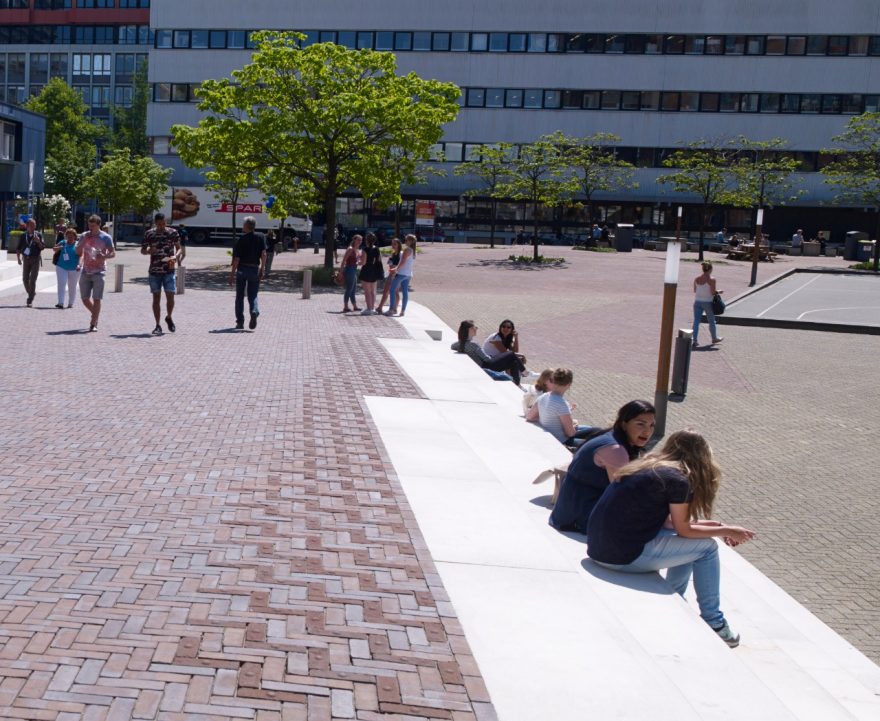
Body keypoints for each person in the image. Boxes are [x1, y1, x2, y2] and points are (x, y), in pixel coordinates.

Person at [587, 430, 756, 648]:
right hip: (620, 556)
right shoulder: (678, 480)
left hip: (599, 547)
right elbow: (684, 530)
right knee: (707, 548)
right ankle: (715, 622)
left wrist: (721, 527)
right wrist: (724, 532)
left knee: (693, 542)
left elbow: (670, 524)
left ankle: (678, 597)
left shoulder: (648, 467)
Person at [548, 400, 656, 533]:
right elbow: (623, 495)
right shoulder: (615, 449)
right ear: (624, 424)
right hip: (579, 517)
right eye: (641, 424)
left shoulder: (609, 436)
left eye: (652, 425)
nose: (647, 431)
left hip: (568, 511)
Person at [526, 367, 593, 448]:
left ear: (552, 381)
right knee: (596, 436)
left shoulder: (543, 396)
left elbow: (529, 416)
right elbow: (570, 433)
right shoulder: (562, 404)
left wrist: (546, 418)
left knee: (591, 429)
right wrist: (573, 427)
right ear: (569, 385)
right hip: (561, 439)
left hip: (552, 432)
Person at [451, 320, 526, 385]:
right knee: (511, 354)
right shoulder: (473, 344)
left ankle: (517, 384)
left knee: (513, 362)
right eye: (475, 327)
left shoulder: (461, 343)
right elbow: (486, 359)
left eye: (508, 327)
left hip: (485, 364)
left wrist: (515, 337)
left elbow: (453, 346)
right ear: (470, 329)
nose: (476, 329)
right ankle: (526, 373)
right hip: (487, 365)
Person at [142, 212, 181, 335]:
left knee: (170, 295)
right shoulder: (149, 233)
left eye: (163, 224)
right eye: (159, 224)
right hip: (155, 270)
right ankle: (157, 325)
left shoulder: (172, 232)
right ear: (155, 223)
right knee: (156, 298)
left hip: (169, 269)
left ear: (166, 222)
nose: (161, 226)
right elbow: (142, 250)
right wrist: (149, 251)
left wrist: (176, 255)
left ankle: (169, 317)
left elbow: (179, 248)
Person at [76, 214, 115, 332]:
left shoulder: (105, 237)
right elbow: (78, 252)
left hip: (99, 271)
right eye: (89, 225)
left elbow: (113, 253)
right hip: (86, 270)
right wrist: (83, 241)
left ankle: (93, 323)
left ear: (99, 225)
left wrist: (104, 256)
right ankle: (96, 314)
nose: (90, 227)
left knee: (97, 298)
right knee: (84, 298)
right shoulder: (84, 235)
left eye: (93, 225)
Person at [229, 216, 266, 330]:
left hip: (242, 270)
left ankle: (240, 322)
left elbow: (236, 259)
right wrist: (262, 269)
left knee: (239, 296)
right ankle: (254, 311)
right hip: (254, 269)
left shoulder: (241, 239)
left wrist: (232, 275)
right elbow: (264, 254)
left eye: (243, 224)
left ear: (246, 226)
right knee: (253, 294)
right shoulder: (261, 237)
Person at [692, 261, 723, 348]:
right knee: (711, 321)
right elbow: (712, 292)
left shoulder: (696, 279)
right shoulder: (712, 279)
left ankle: (694, 340)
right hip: (707, 302)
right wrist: (719, 291)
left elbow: (695, 290)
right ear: (710, 269)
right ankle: (714, 338)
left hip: (697, 301)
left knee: (696, 321)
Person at [386, 233, 416, 317]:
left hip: (401, 273)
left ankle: (391, 309)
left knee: (392, 290)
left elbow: (402, 262)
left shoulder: (407, 250)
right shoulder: (413, 251)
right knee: (405, 292)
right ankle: (402, 311)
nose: (405, 241)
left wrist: (396, 269)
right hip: (408, 274)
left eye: (406, 240)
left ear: (410, 241)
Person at [17, 218, 44, 307]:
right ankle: (31, 293)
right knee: (25, 279)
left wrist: (38, 241)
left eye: (34, 225)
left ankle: (30, 299)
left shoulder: (38, 235)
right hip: (26, 259)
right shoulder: (23, 236)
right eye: (32, 225)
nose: (34, 227)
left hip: (35, 259)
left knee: (33, 280)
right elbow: (18, 248)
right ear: (27, 226)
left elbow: (42, 247)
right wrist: (18, 259)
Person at [53, 227, 81, 309]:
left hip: (74, 268)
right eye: (68, 236)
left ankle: (71, 303)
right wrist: (59, 248)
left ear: (75, 237)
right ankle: (60, 302)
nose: (70, 238)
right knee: (61, 283)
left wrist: (79, 264)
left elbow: (81, 255)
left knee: (72, 286)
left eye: (71, 237)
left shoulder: (78, 244)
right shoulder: (63, 242)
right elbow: (54, 249)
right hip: (61, 266)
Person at [358, 232, 384, 315]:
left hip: (366, 270)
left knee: (367, 291)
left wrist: (358, 261)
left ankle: (369, 309)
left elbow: (363, 262)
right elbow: (379, 260)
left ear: (367, 240)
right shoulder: (377, 249)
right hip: (374, 270)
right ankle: (372, 308)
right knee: (373, 291)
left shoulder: (365, 249)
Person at [376, 237, 401, 315]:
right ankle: (381, 307)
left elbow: (399, 265)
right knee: (387, 291)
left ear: (399, 245)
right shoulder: (393, 254)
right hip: (390, 274)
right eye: (392, 243)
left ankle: (393, 308)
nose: (393, 245)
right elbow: (390, 264)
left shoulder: (400, 254)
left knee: (394, 292)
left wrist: (393, 266)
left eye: (395, 244)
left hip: (395, 275)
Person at [339, 234, 362, 312]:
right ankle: (345, 306)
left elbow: (357, 261)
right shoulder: (350, 249)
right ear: (354, 240)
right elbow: (344, 261)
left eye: (361, 240)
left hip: (354, 270)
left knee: (353, 289)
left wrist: (359, 262)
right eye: (358, 240)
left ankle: (355, 306)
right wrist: (341, 272)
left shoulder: (357, 250)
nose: (360, 242)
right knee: (349, 288)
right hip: (349, 269)